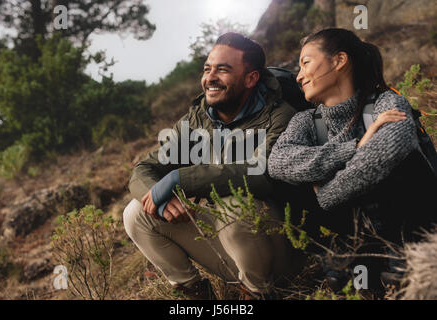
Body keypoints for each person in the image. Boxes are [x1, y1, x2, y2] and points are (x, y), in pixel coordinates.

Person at [123, 32, 305, 299]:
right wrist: (159, 197)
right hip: (229, 249)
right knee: (137, 213)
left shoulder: (279, 115)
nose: (210, 78)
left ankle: (257, 294)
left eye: (223, 70)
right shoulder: (199, 120)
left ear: (251, 78)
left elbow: (261, 172)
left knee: (235, 204)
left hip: (281, 252)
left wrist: (179, 179)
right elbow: (144, 168)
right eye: (208, 69)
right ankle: (196, 295)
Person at [267, 28, 436, 290]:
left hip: (410, 235)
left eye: (305, 63)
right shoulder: (305, 122)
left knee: (399, 163)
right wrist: (356, 146)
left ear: (339, 60)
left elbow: (388, 151)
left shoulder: (387, 102)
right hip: (353, 242)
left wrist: (324, 192)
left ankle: (405, 256)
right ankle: (346, 263)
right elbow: (278, 162)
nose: (299, 75)